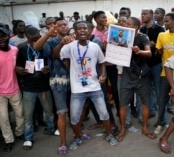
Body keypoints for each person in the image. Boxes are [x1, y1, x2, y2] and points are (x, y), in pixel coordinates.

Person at [60, 21, 118, 148]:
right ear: (74, 32)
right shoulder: (69, 47)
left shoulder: (94, 46)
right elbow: (60, 57)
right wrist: (62, 43)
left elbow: (102, 62)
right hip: (77, 89)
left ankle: (109, 134)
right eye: (79, 29)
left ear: (88, 31)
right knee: (74, 117)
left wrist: (103, 74)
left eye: (84, 28)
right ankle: (77, 137)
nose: (82, 31)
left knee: (104, 113)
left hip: (94, 87)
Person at [34, 17, 71, 154]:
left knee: (75, 111)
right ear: (55, 27)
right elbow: (42, 50)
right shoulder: (51, 40)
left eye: (65, 25)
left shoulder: (73, 39)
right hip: (58, 80)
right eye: (59, 25)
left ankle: (77, 135)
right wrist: (54, 38)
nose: (63, 27)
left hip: (74, 80)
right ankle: (63, 142)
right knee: (61, 112)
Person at [116, 17, 156, 141]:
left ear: (135, 27)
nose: (124, 25)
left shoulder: (143, 37)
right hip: (127, 75)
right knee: (123, 104)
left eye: (128, 24)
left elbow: (149, 53)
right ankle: (122, 129)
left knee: (145, 103)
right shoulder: (120, 36)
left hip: (141, 75)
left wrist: (139, 51)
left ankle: (144, 127)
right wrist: (108, 46)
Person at [15, 26, 55, 150]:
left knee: (49, 111)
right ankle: (28, 138)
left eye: (37, 38)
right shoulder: (21, 48)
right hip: (29, 87)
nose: (35, 42)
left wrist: (48, 67)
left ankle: (51, 129)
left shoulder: (45, 45)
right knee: (28, 115)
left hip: (44, 86)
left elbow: (52, 60)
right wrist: (19, 69)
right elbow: (17, 65)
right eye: (32, 39)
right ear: (26, 37)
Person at [154, 13, 174, 135]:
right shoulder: (161, 35)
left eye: (167, 21)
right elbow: (158, 52)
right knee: (162, 100)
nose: (165, 23)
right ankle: (160, 122)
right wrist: (159, 51)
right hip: (165, 74)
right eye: (164, 21)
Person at [0, 23, 24, 152]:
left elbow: (19, 65)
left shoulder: (15, 50)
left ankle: (19, 133)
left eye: (3, 36)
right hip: (0, 93)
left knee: (20, 114)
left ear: (9, 36)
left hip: (15, 89)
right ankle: (8, 140)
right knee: (3, 118)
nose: (1, 39)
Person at [140, 8, 165, 118]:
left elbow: (164, 47)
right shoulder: (141, 30)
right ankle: (151, 111)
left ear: (151, 15)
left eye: (145, 14)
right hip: (145, 64)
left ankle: (162, 116)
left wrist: (155, 45)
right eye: (142, 14)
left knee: (159, 90)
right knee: (147, 89)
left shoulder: (160, 29)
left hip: (156, 64)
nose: (142, 16)